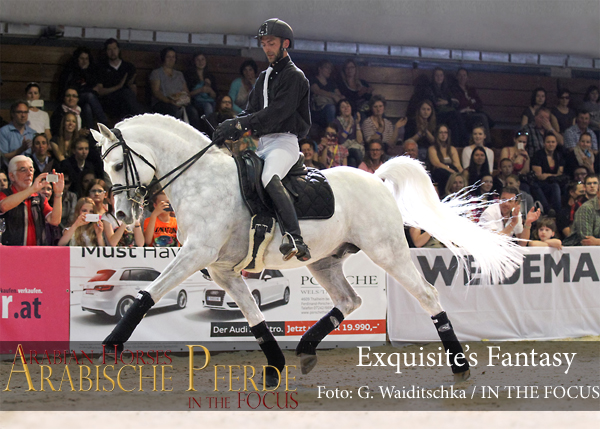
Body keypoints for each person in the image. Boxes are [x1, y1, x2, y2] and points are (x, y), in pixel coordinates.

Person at [213, 18, 311, 261]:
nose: (267, 48)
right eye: (264, 43)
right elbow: (250, 111)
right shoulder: (264, 77)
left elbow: (277, 113)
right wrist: (229, 127)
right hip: (263, 143)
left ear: (285, 43)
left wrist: (241, 124)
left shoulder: (295, 76)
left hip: (285, 142)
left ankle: (295, 238)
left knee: (268, 177)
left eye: (271, 43)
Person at [0, 155, 64, 245]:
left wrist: (58, 194)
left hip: (36, 250)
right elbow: (3, 206)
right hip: (11, 250)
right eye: (23, 170)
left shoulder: (39, 197)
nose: (29, 173)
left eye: (31, 170)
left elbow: (55, 221)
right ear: (12, 176)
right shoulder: (5, 194)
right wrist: (32, 189)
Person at [150, 47, 201, 130]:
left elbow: (186, 91)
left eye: (173, 57)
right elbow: (156, 92)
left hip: (179, 101)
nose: (171, 59)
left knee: (193, 112)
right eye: (168, 57)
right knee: (173, 110)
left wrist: (185, 99)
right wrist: (169, 101)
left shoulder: (179, 74)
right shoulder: (156, 73)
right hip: (163, 102)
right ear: (163, 58)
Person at [58, 47, 108, 129]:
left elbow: (96, 89)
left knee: (87, 107)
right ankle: (104, 123)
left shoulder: (92, 71)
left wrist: (85, 73)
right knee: (89, 96)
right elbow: (71, 88)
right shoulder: (70, 71)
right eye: (82, 58)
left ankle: (90, 134)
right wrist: (89, 89)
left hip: (85, 101)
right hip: (72, 98)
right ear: (77, 59)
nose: (84, 61)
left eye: (86, 59)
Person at [95, 38, 145, 121]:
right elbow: (100, 91)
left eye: (114, 49)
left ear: (119, 50)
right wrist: (118, 87)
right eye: (109, 49)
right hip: (110, 101)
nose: (112, 52)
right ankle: (142, 118)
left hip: (126, 101)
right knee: (125, 94)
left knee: (127, 96)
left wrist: (129, 85)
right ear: (106, 51)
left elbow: (133, 91)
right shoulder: (101, 67)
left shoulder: (128, 67)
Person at [425, 67, 466, 146]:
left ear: (443, 77)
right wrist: (448, 102)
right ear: (433, 77)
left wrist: (446, 102)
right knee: (455, 113)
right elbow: (436, 103)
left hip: (447, 114)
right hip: (436, 114)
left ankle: (456, 145)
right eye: (437, 75)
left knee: (454, 122)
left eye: (441, 75)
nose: (439, 77)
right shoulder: (429, 88)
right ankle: (465, 138)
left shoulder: (446, 88)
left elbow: (456, 103)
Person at [451, 68, 492, 143]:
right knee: (482, 117)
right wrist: (471, 102)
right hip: (462, 115)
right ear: (457, 77)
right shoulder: (454, 89)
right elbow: (460, 103)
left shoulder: (471, 89)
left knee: (481, 119)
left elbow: (479, 103)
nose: (462, 77)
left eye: (464, 75)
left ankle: (482, 142)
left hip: (473, 113)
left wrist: (469, 104)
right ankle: (488, 142)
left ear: (467, 77)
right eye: (460, 75)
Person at [530, 132, 565, 213]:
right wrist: (553, 175)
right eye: (548, 142)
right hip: (540, 183)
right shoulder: (538, 155)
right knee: (535, 186)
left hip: (554, 182)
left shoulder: (559, 155)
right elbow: (539, 176)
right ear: (544, 143)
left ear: (556, 143)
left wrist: (548, 175)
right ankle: (548, 209)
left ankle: (558, 212)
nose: (551, 144)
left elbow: (560, 174)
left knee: (556, 186)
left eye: (553, 142)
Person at [562, 179, 600, 246]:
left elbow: (594, 242)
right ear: (598, 193)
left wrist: (597, 241)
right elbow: (586, 240)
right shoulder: (586, 209)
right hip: (577, 249)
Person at [427, 124, 463, 192]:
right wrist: (452, 172)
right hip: (439, 173)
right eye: (441, 132)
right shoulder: (432, 149)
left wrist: (461, 174)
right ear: (437, 134)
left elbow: (457, 165)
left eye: (445, 132)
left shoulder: (452, 149)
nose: (443, 135)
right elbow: (437, 164)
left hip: (452, 172)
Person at [0, 101, 36, 167]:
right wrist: (21, 149)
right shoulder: (4, 131)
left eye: (25, 112)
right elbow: (3, 157)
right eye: (19, 112)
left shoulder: (33, 133)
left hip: (29, 168)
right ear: (12, 114)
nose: (23, 115)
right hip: (10, 168)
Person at [310, 60, 344, 128]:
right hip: (317, 110)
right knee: (331, 108)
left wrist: (343, 99)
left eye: (330, 68)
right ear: (320, 69)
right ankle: (331, 131)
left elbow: (338, 94)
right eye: (327, 68)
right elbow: (317, 91)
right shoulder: (313, 79)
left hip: (332, 106)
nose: (329, 70)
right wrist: (333, 95)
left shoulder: (331, 82)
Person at [333, 99, 364, 167]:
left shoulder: (354, 120)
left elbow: (359, 140)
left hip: (354, 147)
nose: (346, 108)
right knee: (356, 152)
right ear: (339, 110)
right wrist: (349, 125)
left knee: (352, 161)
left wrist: (357, 123)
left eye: (348, 106)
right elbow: (341, 140)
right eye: (343, 107)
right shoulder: (336, 122)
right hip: (343, 148)